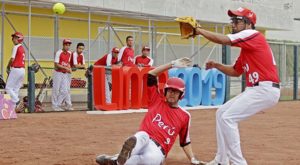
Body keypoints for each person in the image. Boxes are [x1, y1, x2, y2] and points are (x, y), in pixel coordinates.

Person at [193, 7, 280, 165]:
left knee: (228, 118)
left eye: (237, 20)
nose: (233, 24)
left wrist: (199, 30)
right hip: (257, 89)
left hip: (264, 89)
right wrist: (217, 65)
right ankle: (221, 159)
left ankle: (239, 162)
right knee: (221, 113)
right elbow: (235, 71)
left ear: (248, 24)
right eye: (233, 20)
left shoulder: (252, 34)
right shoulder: (247, 48)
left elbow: (224, 40)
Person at [95, 58, 205, 165]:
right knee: (141, 136)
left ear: (181, 95)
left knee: (144, 160)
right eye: (170, 90)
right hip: (145, 139)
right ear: (165, 91)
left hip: (158, 151)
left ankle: (116, 160)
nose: (172, 93)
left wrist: (192, 158)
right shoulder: (156, 100)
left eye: (176, 92)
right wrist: (172, 64)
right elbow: (151, 75)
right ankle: (120, 157)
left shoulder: (185, 116)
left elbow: (185, 142)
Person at [5, 32, 25, 111]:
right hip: (22, 70)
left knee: (8, 88)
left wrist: (7, 66)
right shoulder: (22, 48)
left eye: (14, 37)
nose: (13, 39)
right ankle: (13, 109)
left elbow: (12, 59)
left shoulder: (16, 47)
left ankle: (17, 101)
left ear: (19, 39)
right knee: (15, 89)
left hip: (16, 69)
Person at [51, 39, 73, 111]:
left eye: (69, 45)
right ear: (63, 45)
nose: (68, 46)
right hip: (57, 73)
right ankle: (54, 105)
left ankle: (57, 104)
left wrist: (69, 68)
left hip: (65, 73)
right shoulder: (59, 52)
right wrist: (66, 68)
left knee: (65, 91)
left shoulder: (70, 53)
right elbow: (56, 64)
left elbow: (68, 63)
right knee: (56, 89)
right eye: (66, 44)